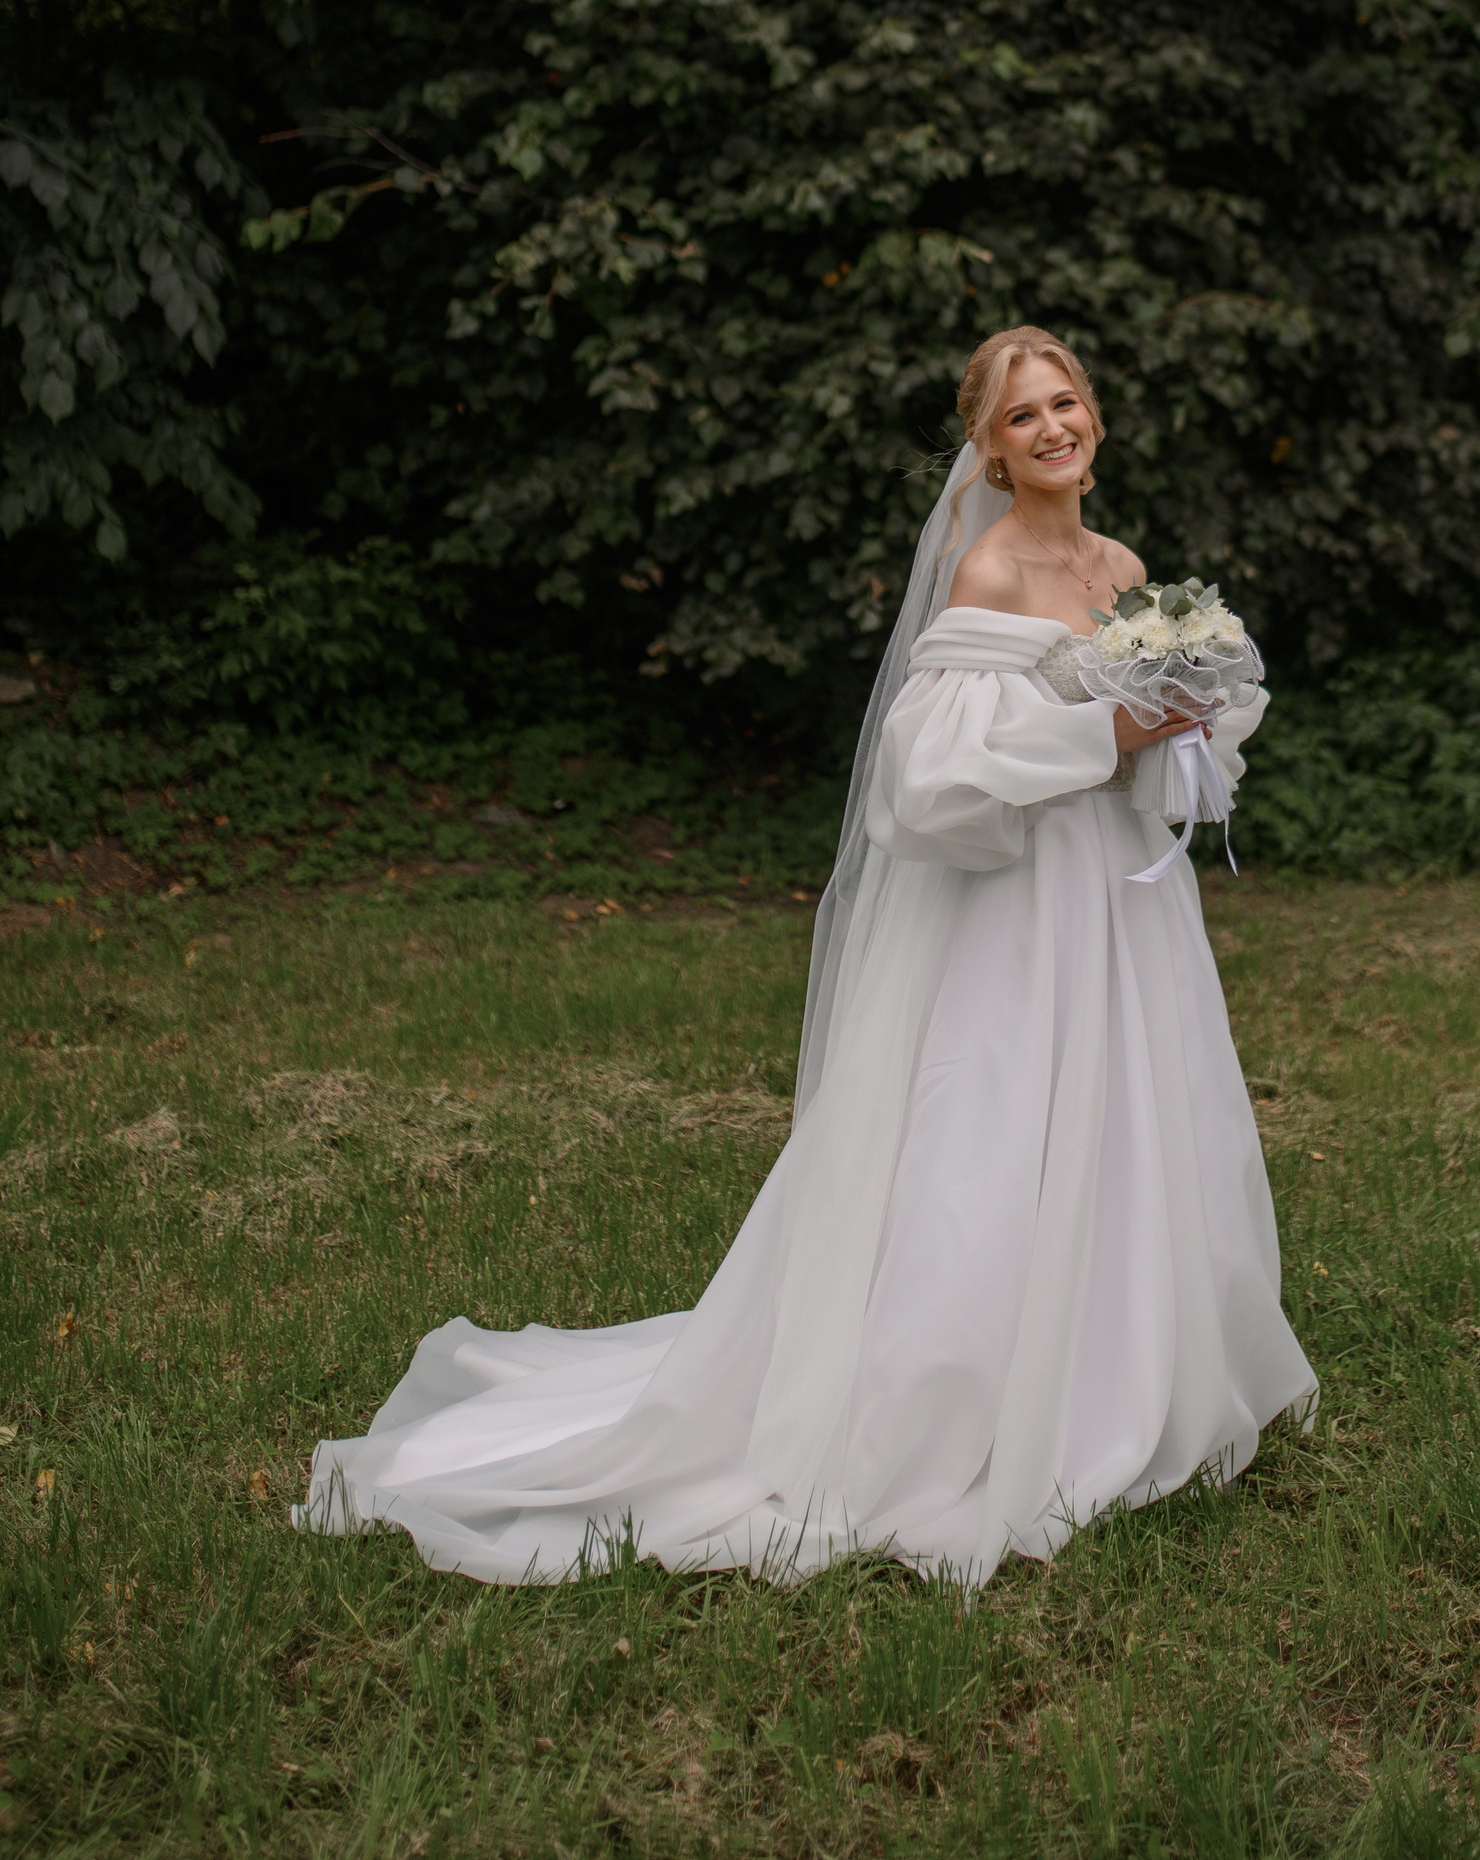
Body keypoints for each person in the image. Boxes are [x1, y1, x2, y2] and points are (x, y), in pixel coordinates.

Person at [294, 325, 1317, 1585]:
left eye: (1065, 404)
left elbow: (1151, 748)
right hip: (1021, 905)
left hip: (1118, 895)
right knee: (995, 1132)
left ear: (1093, 416)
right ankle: (959, 1403)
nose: (1052, 428)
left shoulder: (1122, 566)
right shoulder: (989, 573)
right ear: (990, 450)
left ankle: (1125, 1367)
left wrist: (1187, 725)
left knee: (1128, 1114)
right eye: (1022, 417)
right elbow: (924, 779)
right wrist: (1106, 734)